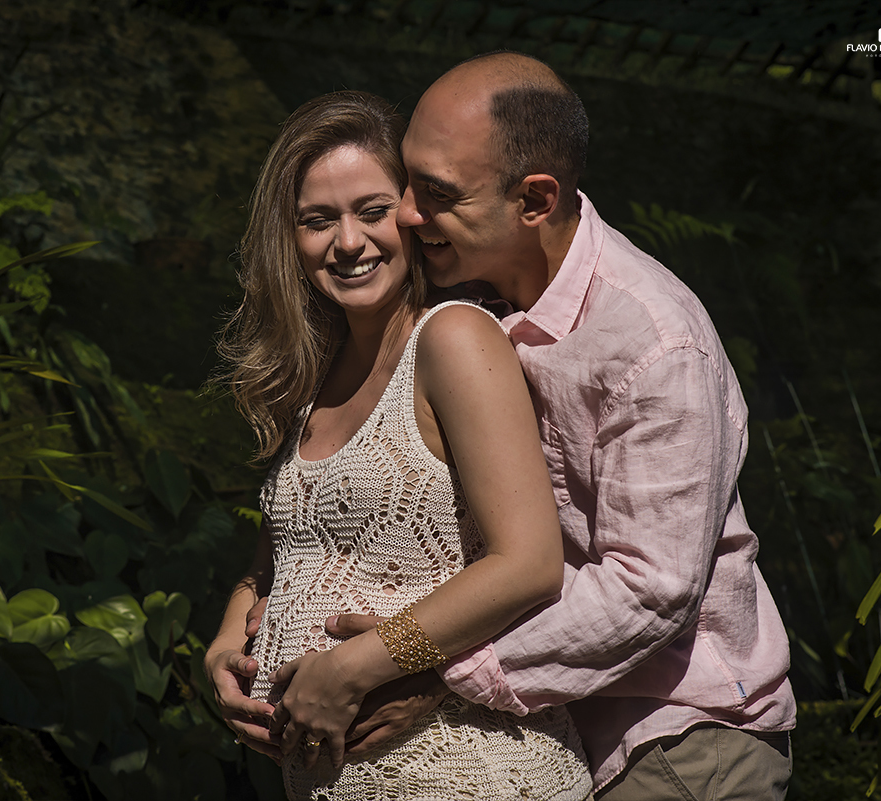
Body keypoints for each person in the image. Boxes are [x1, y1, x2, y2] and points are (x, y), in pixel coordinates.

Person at [218, 54, 797, 800]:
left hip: (677, 732)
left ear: (533, 199)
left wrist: (426, 670)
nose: (408, 216)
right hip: (565, 722)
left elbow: (647, 590)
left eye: (433, 195)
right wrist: (237, 637)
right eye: (410, 187)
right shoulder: (476, 308)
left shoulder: (650, 342)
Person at [205, 90, 593, 801]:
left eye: (371, 211)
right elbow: (284, 549)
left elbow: (531, 562)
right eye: (317, 220)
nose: (347, 242)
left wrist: (366, 664)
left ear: (413, 216)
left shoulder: (451, 338)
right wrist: (229, 641)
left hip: (467, 772)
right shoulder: (311, 374)